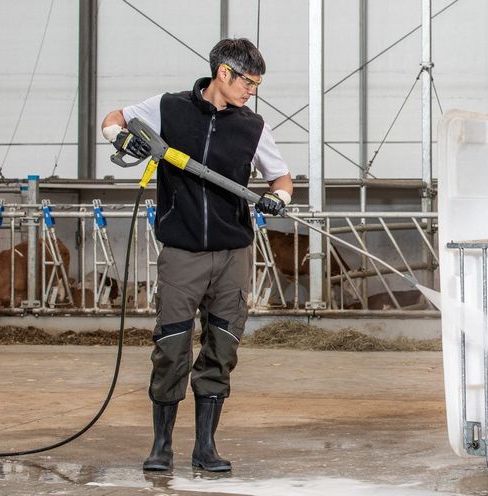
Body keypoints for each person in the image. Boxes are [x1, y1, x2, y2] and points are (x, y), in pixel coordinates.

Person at [101, 38, 292, 472]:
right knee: (171, 347)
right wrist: (119, 136)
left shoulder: (253, 126)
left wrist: (278, 197)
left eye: (257, 83)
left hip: (233, 253)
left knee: (222, 347)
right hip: (183, 250)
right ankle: (161, 447)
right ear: (223, 72)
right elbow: (114, 118)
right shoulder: (169, 107)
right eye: (249, 81)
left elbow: (281, 177)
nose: (252, 90)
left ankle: (205, 447)